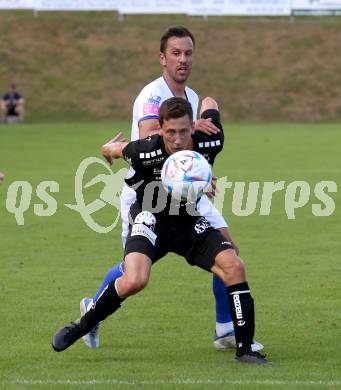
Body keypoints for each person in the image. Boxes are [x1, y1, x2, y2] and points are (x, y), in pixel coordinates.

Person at [80, 25, 264, 352]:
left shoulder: (190, 96)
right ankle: (92, 311)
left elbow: (188, 147)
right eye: (176, 53)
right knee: (133, 272)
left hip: (184, 193)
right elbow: (151, 135)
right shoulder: (153, 95)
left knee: (230, 255)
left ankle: (225, 329)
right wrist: (191, 127)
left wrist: (199, 175)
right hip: (147, 193)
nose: (183, 60)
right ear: (162, 58)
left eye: (188, 53)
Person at [52, 96, 271, 365]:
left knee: (234, 265)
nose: (177, 139)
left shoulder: (211, 139)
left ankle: (244, 350)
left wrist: (208, 111)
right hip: (149, 217)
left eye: (183, 131)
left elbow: (210, 100)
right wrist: (106, 149)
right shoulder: (145, 150)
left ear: (193, 125)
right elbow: (113, 150)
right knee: (135, 280)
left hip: (189, 219)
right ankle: (82, 325)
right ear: (160, 128)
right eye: (170, 132)